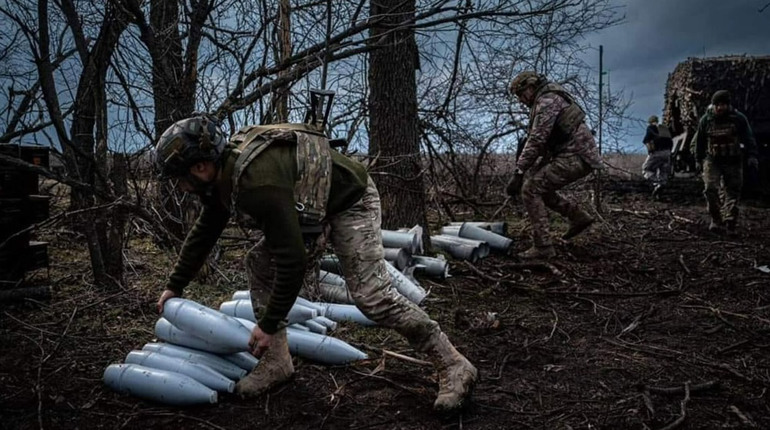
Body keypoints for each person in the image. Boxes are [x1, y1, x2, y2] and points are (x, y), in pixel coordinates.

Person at [152, 115, 477, 411]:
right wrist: (174, 284)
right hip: (313, 207)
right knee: (259, 264)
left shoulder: (256, 184)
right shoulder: (224, 176)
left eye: (178, 178)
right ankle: (278, 362)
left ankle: (452, 363)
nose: (180, 187)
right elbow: (207, 229)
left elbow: (291, 260)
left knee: (370, 294)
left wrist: (266, 325)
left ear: (199, 168)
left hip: (351, 201)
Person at [506, 71, 604, 259]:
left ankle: (543, 247)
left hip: (576, 156)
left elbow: (537, 139)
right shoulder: (548, 97)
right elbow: (545, 142)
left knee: (530, 189)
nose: (521, 100)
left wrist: (519, 172)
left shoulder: (547, 101)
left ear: (531, 87)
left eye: (521, 94)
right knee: (539, 185)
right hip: (577, 155)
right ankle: (578, 217)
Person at [693, 90, 758, 232]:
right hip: (713, 160)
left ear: (728, 105)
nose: (719, 108)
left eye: (722, 104)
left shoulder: (738, 118)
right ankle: (716, 218)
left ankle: (730, 220)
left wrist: (752, 156)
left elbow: (748, 138)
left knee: (733, 191)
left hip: (733, 160)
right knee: (710, 189)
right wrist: (698, 160)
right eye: (717, 104)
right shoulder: (707, 119)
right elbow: (700, 141)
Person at [641, 115, 674, 198]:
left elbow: (646, 140)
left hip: (657, 152)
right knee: (663, 172)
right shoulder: (665, 129)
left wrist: (650, 151)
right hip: (667, 153)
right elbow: (671, 142)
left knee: (646, 169)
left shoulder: (651, 128)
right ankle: (660, 190)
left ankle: (657, 183)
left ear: (650, 122)